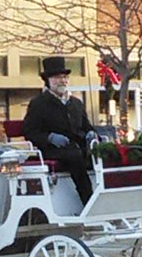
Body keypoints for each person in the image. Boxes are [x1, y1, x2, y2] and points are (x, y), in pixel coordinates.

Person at [22, 56, 95, 206]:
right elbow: (30, 131)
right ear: (48, 81)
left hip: (78, 147)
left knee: (102, 154)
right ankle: (88, 200)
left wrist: (91, 133)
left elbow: (86, 125)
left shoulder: (76, 103)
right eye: (56, 77)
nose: (62, 81)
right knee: (75, 156)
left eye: (64, 77)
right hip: (53, 150)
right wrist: (50, 138)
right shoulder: (39, 104)